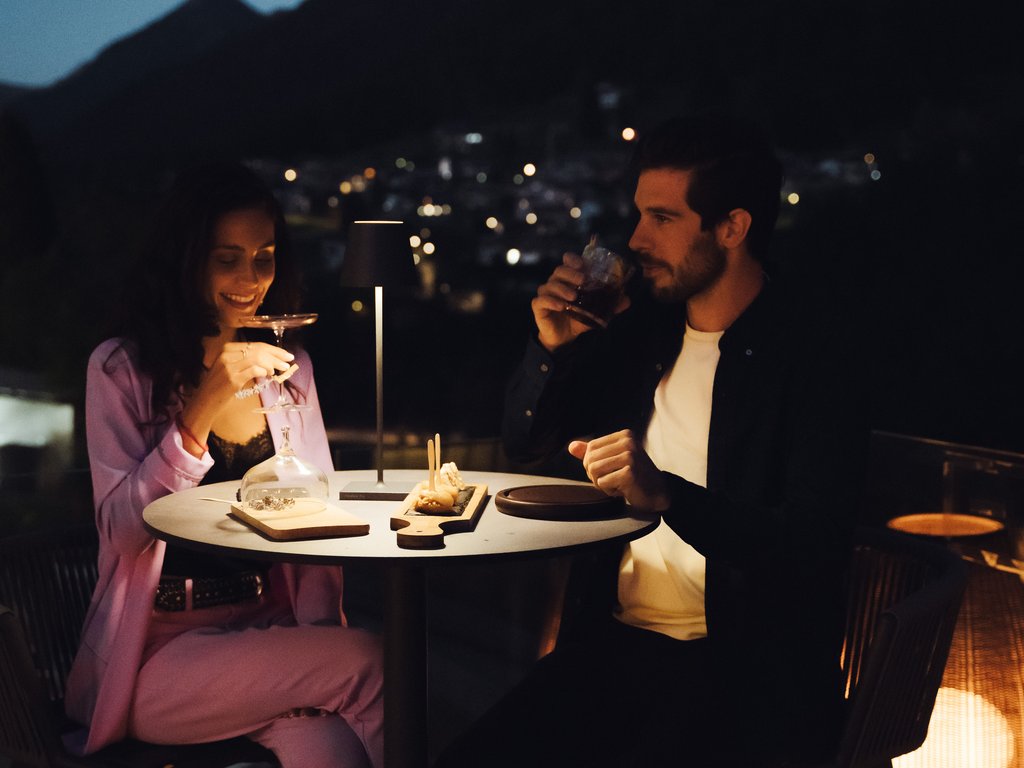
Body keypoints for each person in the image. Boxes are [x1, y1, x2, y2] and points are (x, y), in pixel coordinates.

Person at [434, 113, 868, 767]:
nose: (636, 239)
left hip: (739, 679)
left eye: (662, 219)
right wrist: (551, 351)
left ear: (732, 227)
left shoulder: (809, 357)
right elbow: (526, 447)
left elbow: (810, 547)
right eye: (638, 215)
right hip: (610, 649)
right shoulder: (643, 338)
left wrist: (666, 495)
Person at [64, 162, 384, 768]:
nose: (250, 279)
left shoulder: (291, 371)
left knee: (336, 751)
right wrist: (204, 404)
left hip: (268, 639)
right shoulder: (120, 370)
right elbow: (125, 533)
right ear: (187, 261)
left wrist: (316, 643)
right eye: (227, 258)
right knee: (370, 661)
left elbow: (316, 524)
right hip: (159, 655)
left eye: (263, 257)